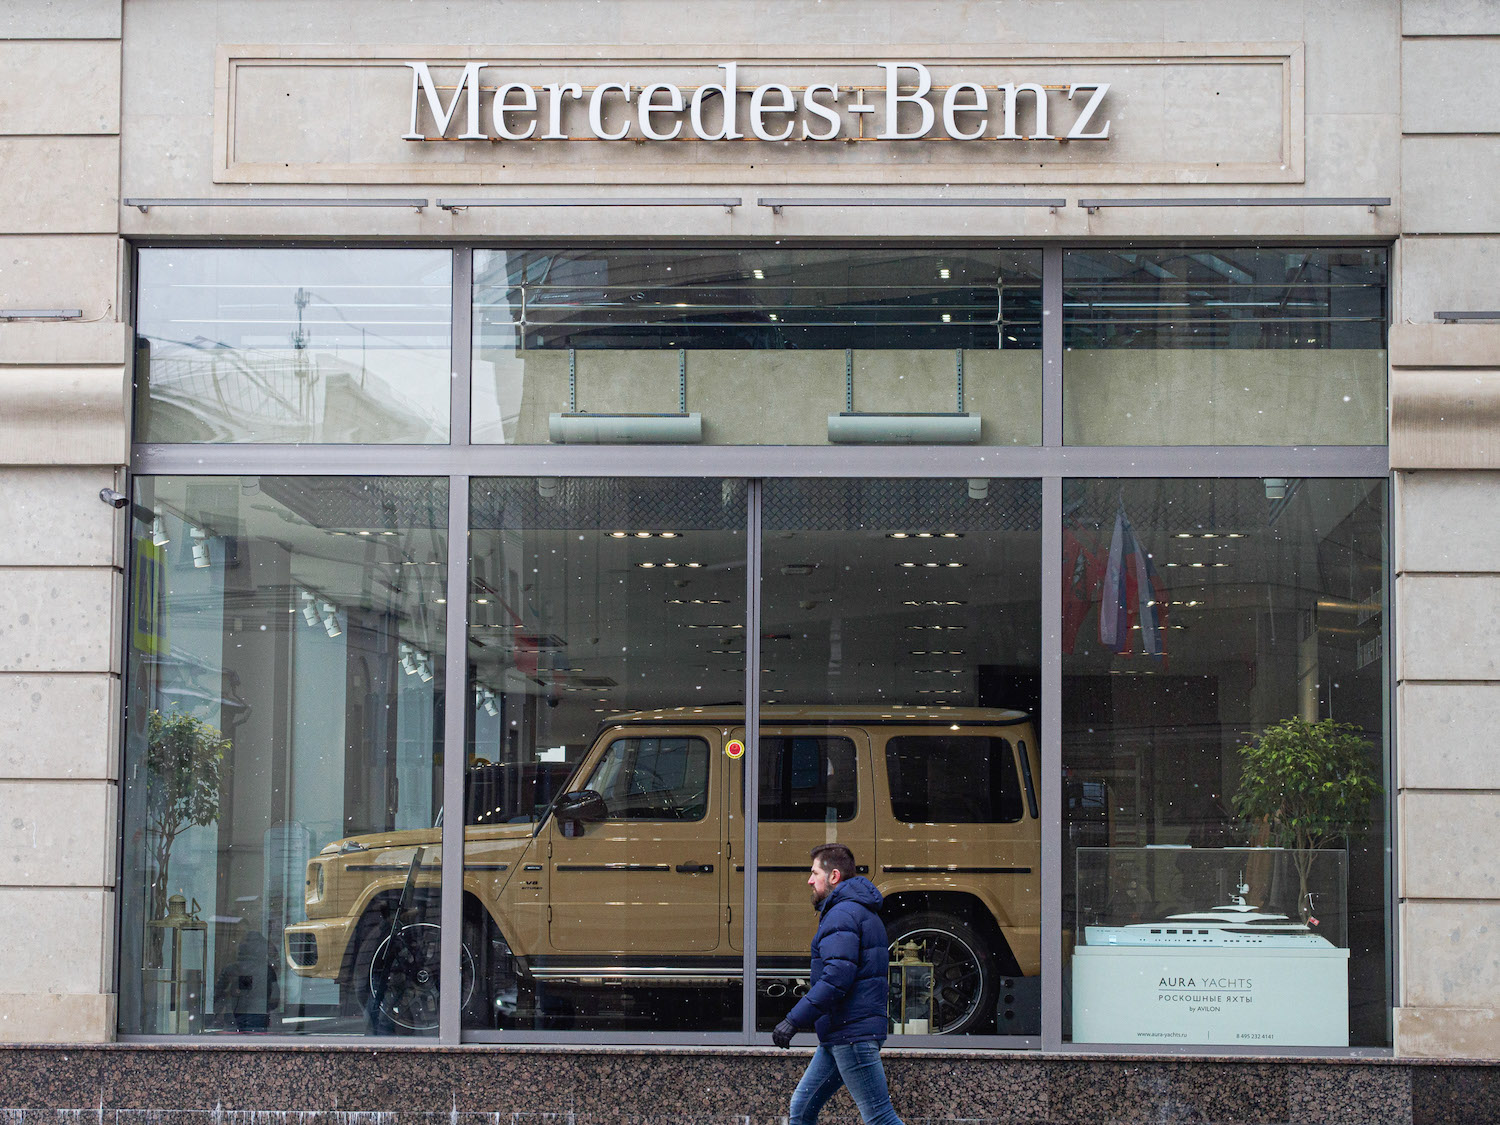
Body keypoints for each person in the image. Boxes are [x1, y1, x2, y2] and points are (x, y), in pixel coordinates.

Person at [772, 843, 904, 1125]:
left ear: (833, 876)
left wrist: (794, 1020)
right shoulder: (856, 911)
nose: (809, 880)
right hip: (840, 1033)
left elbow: (836, 978)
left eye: (814, 873)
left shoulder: (843, 914)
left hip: (851, 1034)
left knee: (880, 1117)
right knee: (802, 1109)